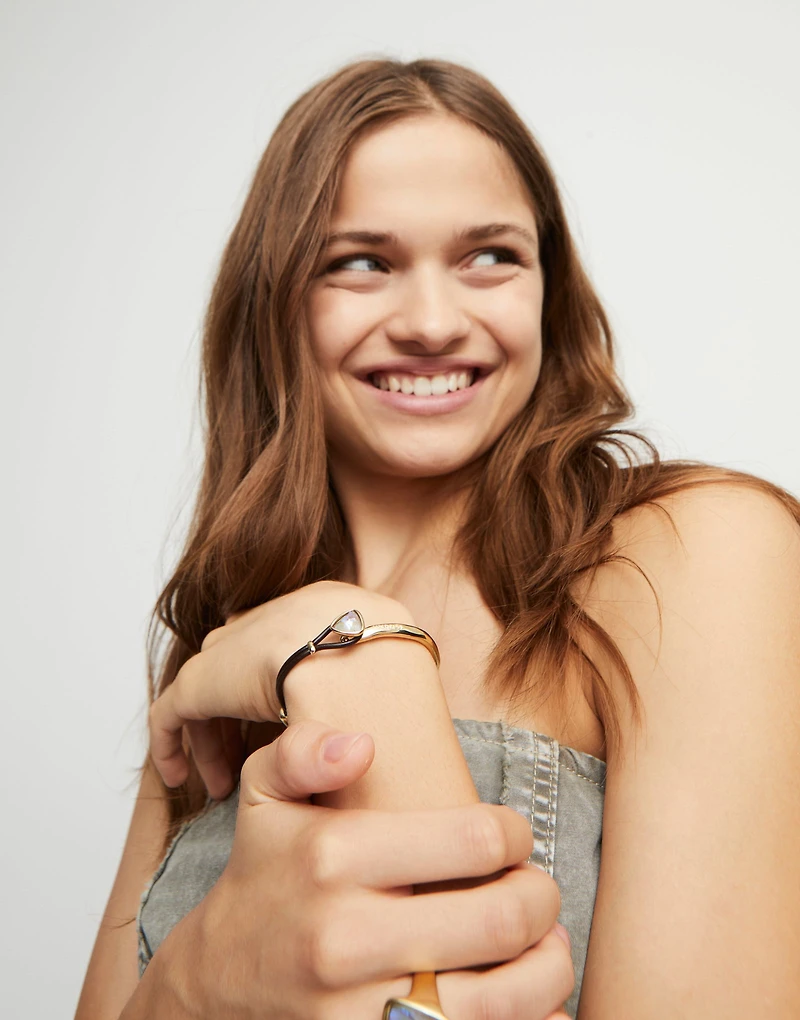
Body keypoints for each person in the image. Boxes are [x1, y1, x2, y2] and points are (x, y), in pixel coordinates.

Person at [75, 57, 800, 1020]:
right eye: (362, 262)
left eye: (489, 255)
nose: (429, 321)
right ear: (279, 300)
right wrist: (197, 982)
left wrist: (357, 644)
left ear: (549, 289)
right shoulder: (228, 651)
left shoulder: (694, 555)